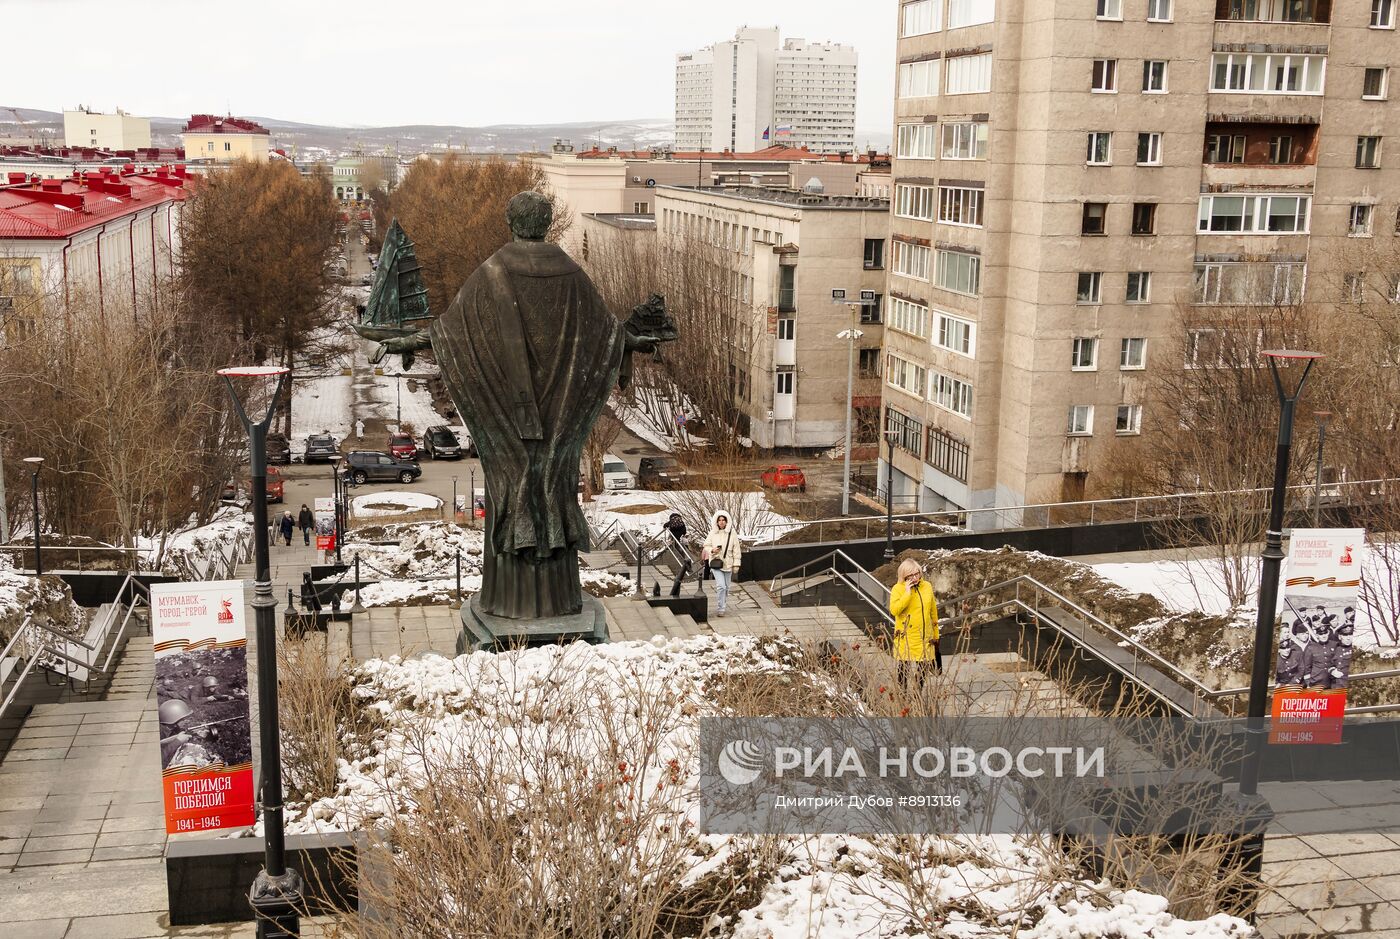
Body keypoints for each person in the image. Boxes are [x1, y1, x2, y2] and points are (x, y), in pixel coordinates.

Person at [889, 558, 941, 686]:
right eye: (910, 575)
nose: (914, 577)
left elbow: (933, 612)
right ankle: (903, 699)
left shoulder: (927, 586)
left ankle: (918, 698)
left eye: (917, 573)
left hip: (925, 636)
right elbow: (894, 610)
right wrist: (907, 593)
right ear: (904, 576)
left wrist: (936, 635)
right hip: (906, 637)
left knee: (923, 671)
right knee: (903, 670)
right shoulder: (898, 589)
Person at [701, 510, 742, 616]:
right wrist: (712, 550)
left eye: (723, 520)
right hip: (716, 563)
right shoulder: (713, 533)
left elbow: (736, 549)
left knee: (727, 587)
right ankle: (721, 608)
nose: (721, 522)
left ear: (727, 521)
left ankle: (723, 603)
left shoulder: (732, 533)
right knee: (721, 586)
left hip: (728, 563)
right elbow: (706, 545)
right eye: (719, 520)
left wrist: (736, 563)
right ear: (717, 521)